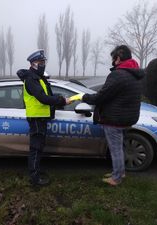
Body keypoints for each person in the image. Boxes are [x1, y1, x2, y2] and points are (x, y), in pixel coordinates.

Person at [82, 45, 145, 186]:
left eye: (113, 58)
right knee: (120, 147)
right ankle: (120, 172)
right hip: (128, 118)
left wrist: (85, 97)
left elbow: (102, 96)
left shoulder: (118, 74)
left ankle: (116, 178)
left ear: (118, 58)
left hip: (114, 120)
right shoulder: (136, 74)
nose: (113, 61)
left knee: (115, 149)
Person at [17, 49, 71, 186]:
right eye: (41, 62)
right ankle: (34, 178)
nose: (43, 64)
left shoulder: (38, 78)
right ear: (33, 63)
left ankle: (36, 172)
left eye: (44, 62)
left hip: (41, 118)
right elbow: (42, 98)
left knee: (39, 147)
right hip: (36, 119)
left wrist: (59, 99)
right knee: (35, 148)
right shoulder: (31, 79)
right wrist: (62, 101)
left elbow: (47, 94)